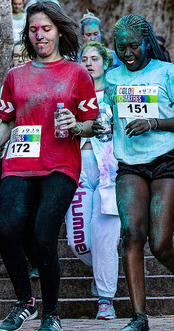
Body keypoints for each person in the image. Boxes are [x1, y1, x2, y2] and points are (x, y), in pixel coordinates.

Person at [0, 0, 99, 331]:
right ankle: (24, 301)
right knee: (7, 230)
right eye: (33, 30)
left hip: (61, 164)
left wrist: (76, 126)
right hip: (18, 163)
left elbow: (92, 123)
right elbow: (6, 123)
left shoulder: (77, 73)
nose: (40, 35)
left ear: (58, 30)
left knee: (44, 236)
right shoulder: (16, 76)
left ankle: (51, 313)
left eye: (46, 29)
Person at [97, 14, 174, 331]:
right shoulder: (112, 79)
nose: (128, 53)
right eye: (121, 47)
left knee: (160, 243)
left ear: (147, 43)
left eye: (134, 46)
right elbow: (108, 117)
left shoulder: (166, 72)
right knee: (131, 236)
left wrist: (153, 123)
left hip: (167, 160)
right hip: (129, 164)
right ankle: (139, 317)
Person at [65, 41, 121, 320]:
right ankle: (103, 270)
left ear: (106, 62)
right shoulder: (70, 93)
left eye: (94, 58)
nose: (89, 63)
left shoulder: (116, 92)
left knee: (105, 237)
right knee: (79, 242)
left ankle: (105, 298)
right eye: (84, 58)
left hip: (110, 173)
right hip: (78, 170)